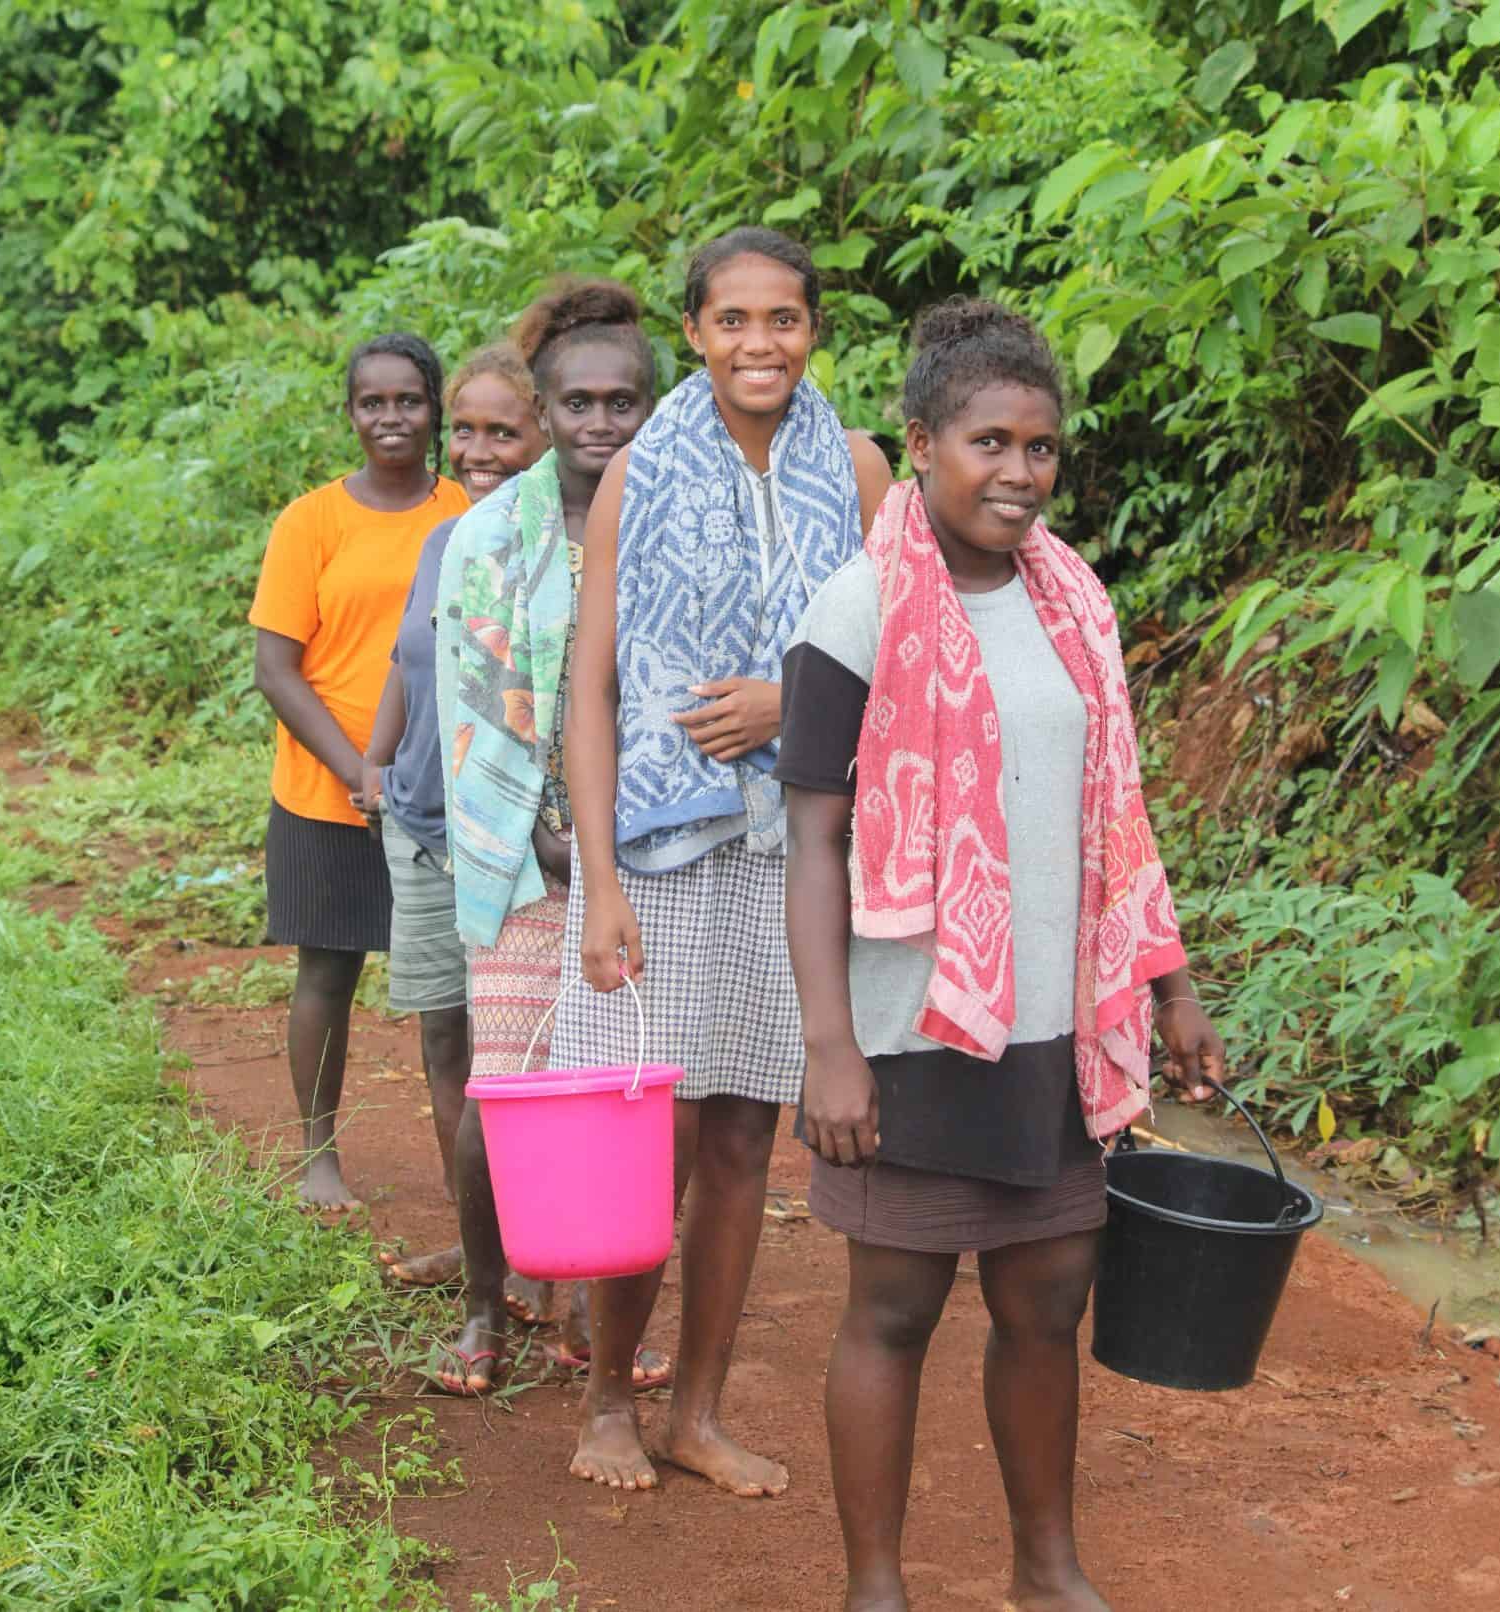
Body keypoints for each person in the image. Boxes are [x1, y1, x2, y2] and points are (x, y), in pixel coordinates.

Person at [776, 298, 1229, 1612]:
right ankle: (875, 1586)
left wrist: (1173, 992)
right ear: (920, 444)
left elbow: (1116, 817)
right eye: (990, 442)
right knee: (894, 1315)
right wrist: (832, 1051)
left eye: (1041, 448)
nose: (1019, 474)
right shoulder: (855, 613)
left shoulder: (1073, 604)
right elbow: (813, 841)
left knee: (1046, 1310)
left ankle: (1048, 1568)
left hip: (1055, 1028)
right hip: (911, 1035)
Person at [558, 225, 893, 1496]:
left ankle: (694, 1412)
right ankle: (605, 1399)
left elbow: (896, 659)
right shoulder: (640, 471)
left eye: (786, 320)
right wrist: (598, 882)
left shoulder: (856, 466)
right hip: (660, 848)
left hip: (796, 848)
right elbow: (590, 689)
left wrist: (785, 705)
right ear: (693, 334)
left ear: (815, 330)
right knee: (655, 1138)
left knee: (750, 1135)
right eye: (734, 321)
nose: (762, 343)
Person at [417, 281, 676, 1396]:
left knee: (628, 1094)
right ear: (547, 406)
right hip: (524, 860)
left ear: (653, 407)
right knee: (507, 1090)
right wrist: (550, 834)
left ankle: (594, 1321)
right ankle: (488, 1305)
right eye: (578, 402)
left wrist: (621, 839)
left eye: (624, 402)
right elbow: (479, 699)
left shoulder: (673, 517)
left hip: (658, 852)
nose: (600, 424)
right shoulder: (487, 534)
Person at [248, 332, 468, 1210]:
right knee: (326, 972)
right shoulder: (312, 521)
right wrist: (355, 771)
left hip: (442, 794)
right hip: (323, 791)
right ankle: (319, 1156)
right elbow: (276, 667)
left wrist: (398, 775)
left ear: (435, 409)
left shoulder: (464, 507)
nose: (391, 417)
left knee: (450, 1001)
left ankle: (469, 1182)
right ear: (350, 413)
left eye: (408, 400)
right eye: (372, 402)